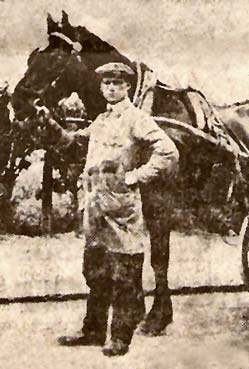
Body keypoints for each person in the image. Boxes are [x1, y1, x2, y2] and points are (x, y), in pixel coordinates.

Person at [49, 62, 179, 356]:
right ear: (101, 87)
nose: (111, 88)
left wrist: (136, 176)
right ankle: (93, 331)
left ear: (127, 88)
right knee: (94, 272)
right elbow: (76, 143)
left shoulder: (137, 119)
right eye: (107, 83)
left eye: (117, 84)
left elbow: (168, 151)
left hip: (121, 213)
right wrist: (51, 126)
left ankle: (120, 338)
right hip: (96, 212)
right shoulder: (101, 120)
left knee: (124, 277)